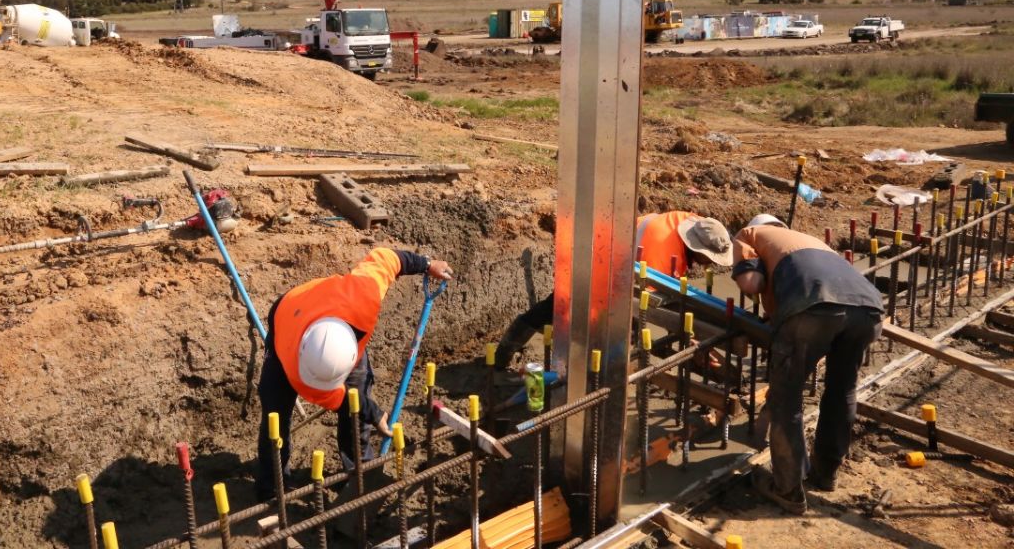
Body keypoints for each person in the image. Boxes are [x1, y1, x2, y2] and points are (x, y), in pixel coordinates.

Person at [254, 247, 453, 502]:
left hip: (333, 317)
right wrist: (375, 413)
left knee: (358, 391)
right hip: (288, 315)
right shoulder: (298, 370)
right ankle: (272, 485)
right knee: (275, 413)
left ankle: (360, 470)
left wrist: (427, 263)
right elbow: (343, 399)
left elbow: (389, 258)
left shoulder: (364, 293)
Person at [731, 214, 883, 515]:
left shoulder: (749, 234)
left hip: (815, 305)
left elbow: (752, 282)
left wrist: (746, 272)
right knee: (842, 390)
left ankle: (787, 489)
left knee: (787, 399)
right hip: (868, 308)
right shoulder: (812, 243)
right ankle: (825, 473)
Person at [493, 211, 734, 367]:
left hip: (611, 253)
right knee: (560, 307)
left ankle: (624, 362)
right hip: (597, 264)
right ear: (695, 248)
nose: (710, 264)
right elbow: (643, 304)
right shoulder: (662, 252)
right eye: (709, 259)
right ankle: (503, 356)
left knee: (627, 327)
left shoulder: (688, 222)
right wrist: (685, 337)